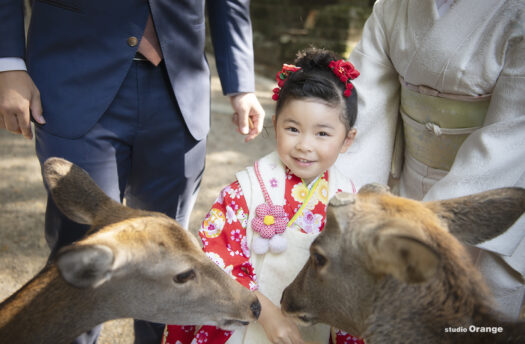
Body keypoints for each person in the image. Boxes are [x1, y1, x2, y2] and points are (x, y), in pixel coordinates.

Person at [0, 1, 264, 343]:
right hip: (71, 75)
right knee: (82, 250)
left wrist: (241, 84)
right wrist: (8, 63)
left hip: (179, 86)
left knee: (174, 258)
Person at [336, 0, 525, 319]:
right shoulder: (393, 7)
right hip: (403, 185)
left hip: (485, 189)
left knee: (473, 311)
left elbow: (512, 130)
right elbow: (365, 105)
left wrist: (430, 220)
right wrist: (350, 191)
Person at [162, 48, 364, 344]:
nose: (304, 145)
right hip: (245, 324)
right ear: (275, 125)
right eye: (293, 129)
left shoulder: (350, 204)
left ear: (347, 139)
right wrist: (266, 313)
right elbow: (216, 259)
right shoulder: (245, 191)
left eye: (322, 134)